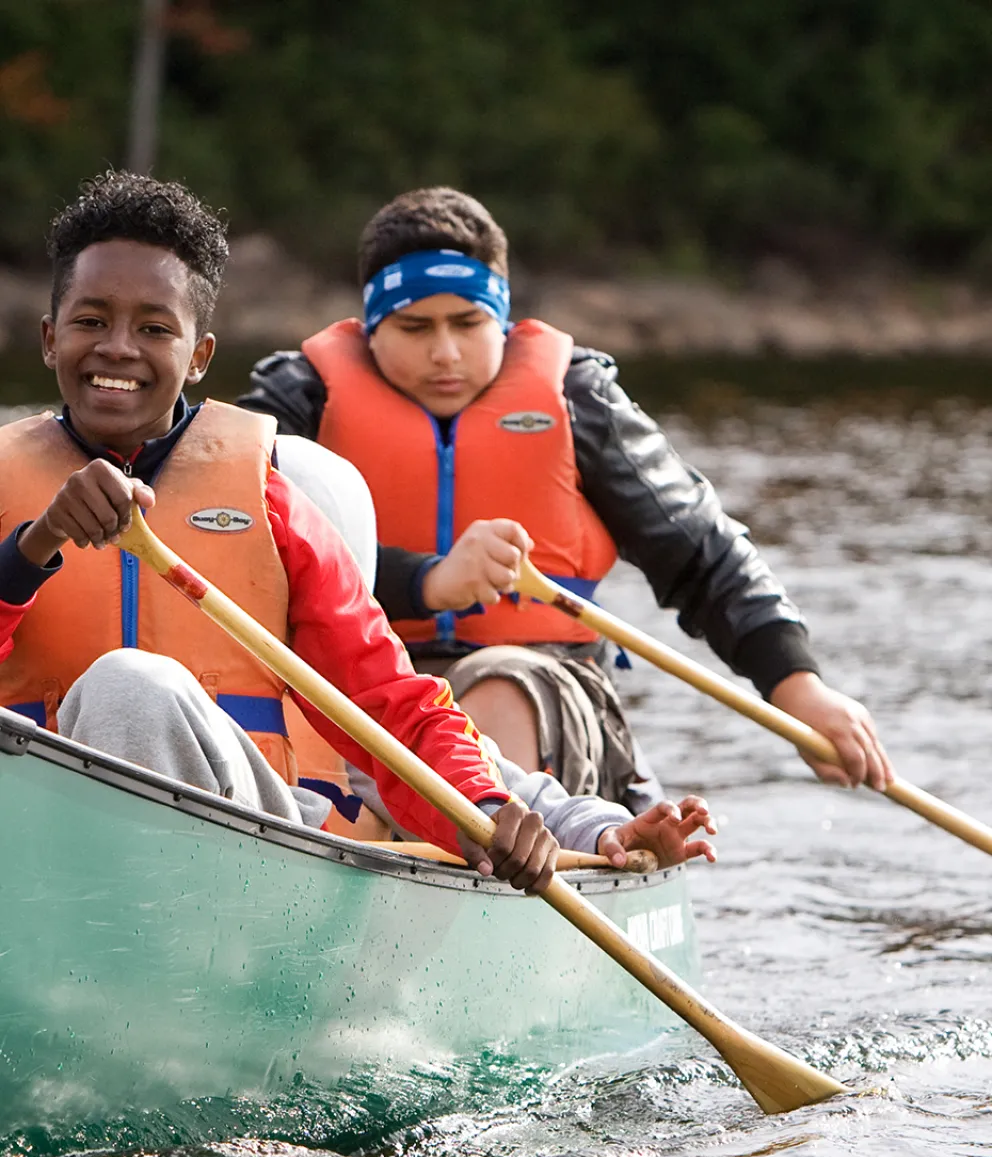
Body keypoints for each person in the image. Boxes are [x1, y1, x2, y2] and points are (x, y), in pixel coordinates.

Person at [0, 170, 567, 894]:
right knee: (124, 688)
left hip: (238, 857)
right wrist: (31, 548)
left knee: (128, 688)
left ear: (199, 356)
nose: (117, 348)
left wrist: (480, 808)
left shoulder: (270, 501)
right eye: (90, 322)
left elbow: (386, 701)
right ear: (50, 340)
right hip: (33, 847)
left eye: (153, 328)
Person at [238, 186, 894, 807]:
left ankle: (494, 854)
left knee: (501, 686)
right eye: (415, 329)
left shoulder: (578, 400)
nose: (445, 353)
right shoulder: (299, 401)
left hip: (542, 680)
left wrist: (797, 686)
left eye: (468, 324)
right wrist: (426, 583)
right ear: (371, 328)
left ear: (501, 318)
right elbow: (235, 545)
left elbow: (705, 557)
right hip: (353, 688)